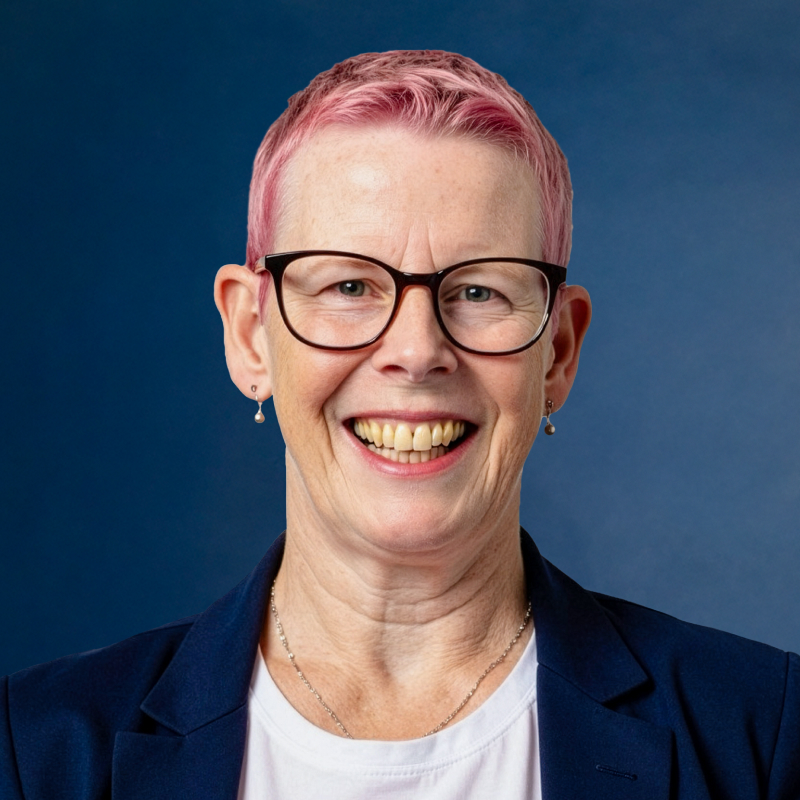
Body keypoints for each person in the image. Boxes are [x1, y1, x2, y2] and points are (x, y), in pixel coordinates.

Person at [1, 50, 798, 800]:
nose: (416, 353)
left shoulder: (765, 740)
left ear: (557, 351)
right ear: (250, 336)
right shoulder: (31, 754)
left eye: (480, 291)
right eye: (348, 287)